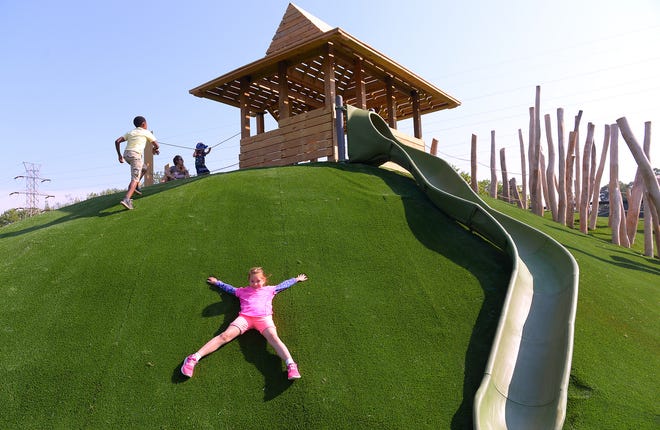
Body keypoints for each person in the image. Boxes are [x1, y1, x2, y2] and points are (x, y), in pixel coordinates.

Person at [181, 267, 308, 380]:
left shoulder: (270, 290)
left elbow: (283, 285)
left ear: (264, 280)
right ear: (249, 281)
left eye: (258, 281)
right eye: (252, 281)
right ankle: (193, 359)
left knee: (274, 338)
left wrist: (296, 279)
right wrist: (217, 282)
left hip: (264, 319)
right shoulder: (242, 291)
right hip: (245, 318)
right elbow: (229, 289)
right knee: (225, 336)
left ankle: (291, 365)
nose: (255, 283)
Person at [114, 116, 159, 210]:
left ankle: (136, 187)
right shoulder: (146, 132)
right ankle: (127, 199)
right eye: (146, 123)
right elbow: (157, 145)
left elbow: (117, 141)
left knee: (144, 168)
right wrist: (155, 149)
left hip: (127, 155)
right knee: (135, 178)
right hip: (135, 156)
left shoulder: (131, 132)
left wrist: (119, 155)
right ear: (143, 124)